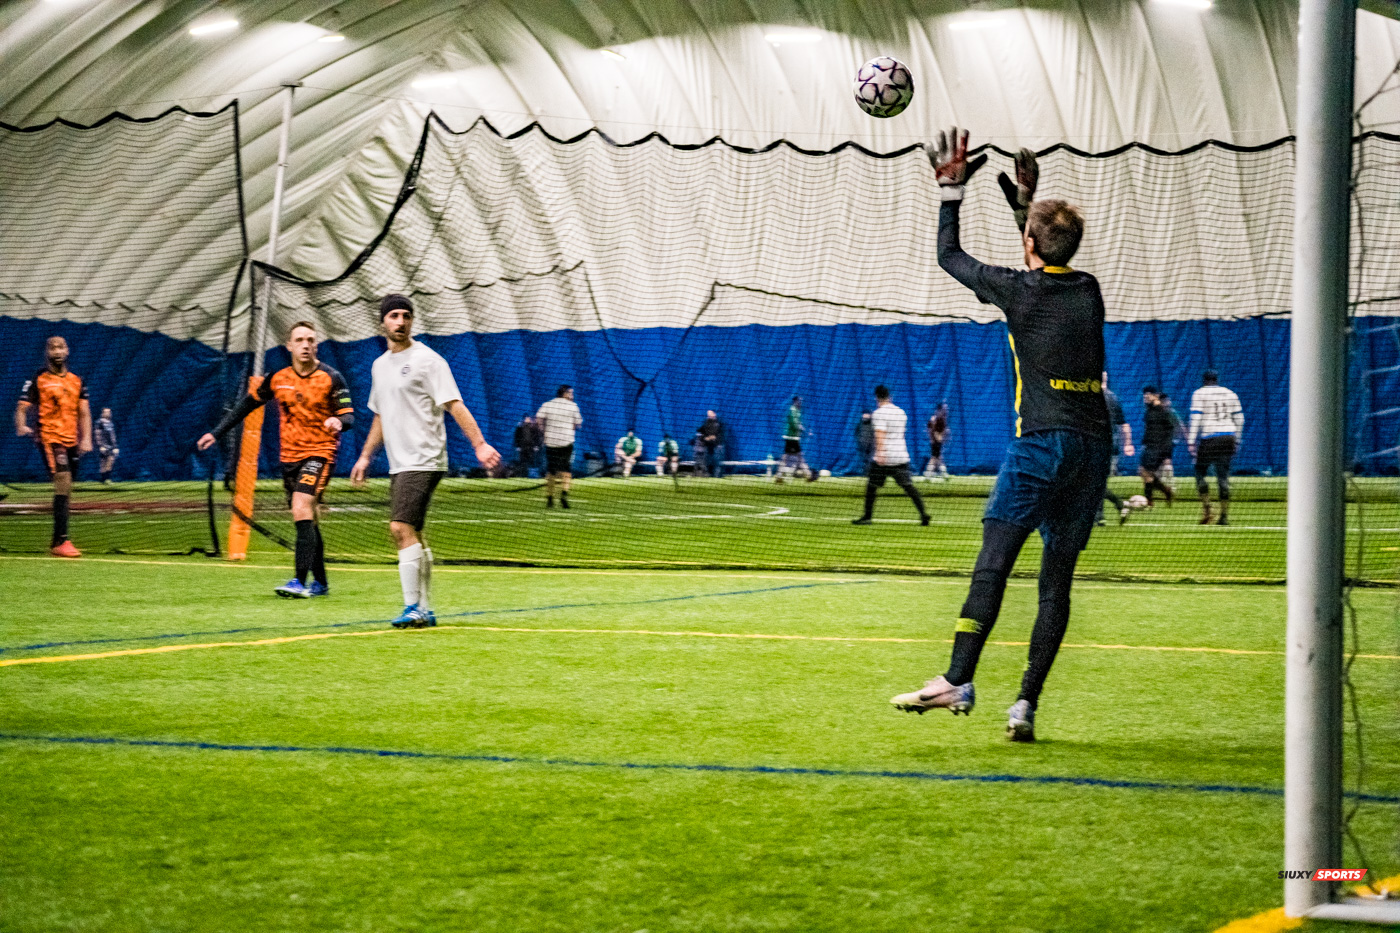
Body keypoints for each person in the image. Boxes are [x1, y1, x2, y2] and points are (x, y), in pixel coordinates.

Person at [891, 129, 1111, 743]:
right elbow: (1047, 262)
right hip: (1092, 448)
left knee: (993, 564)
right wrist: (1026, 211)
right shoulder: (1086, 289)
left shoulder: (1019, 291)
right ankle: (1025, 706)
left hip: (1041, 443)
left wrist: (951, 191)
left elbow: (949, 258)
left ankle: (958, 678)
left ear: (1029, 244)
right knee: (1055, 582)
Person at [349, 294, 500, 627]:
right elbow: (379, 416)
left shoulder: (429, 360)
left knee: (399, 527)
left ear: (412, 321)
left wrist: (479, 444)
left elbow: (455, 405)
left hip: (424, 459)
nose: (400, 321)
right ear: (382, 323)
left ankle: (412, 607)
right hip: (399, 462)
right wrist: (364, 456)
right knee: (414, 532)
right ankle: (425, 609)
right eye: (394, 316)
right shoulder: (379, 365)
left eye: (406, 315)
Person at [199, 321, 355, 598]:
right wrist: (216, 432)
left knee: (301, 505)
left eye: (310, 340)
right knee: (308, 517)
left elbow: (349, 416)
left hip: (319, 453)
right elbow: (246, 405)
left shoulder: (332, 378)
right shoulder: (278, 378)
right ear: (290, 346)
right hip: (289, 458)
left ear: (316, 345)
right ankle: (321, 582)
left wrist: (338, 422)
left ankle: (298, 580)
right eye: (300, 340)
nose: (306, 344)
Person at [14, 336, 92, 558]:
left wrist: (86, 438)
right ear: (47, 352)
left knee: (66, 487)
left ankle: (57, 540)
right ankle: (62, 540)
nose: (57, 351)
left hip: (71, 440)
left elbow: (84, 412)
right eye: (52, 347)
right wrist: (21, 425)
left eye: (61, 347)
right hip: (50, 438)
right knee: (63, 479)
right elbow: (22, 407)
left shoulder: (77, 380)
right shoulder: (38, 378)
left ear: (67, 351)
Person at [852, 385, 929, 526]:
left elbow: (880, 435)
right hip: (901, 455)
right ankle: (924, 514)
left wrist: (880, 454)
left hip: (885, 457)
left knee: (871, 487)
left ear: (876, 397)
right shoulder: (901, 412)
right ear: (890, 396)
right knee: (909, 487)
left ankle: (867, 517)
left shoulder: (879, 414)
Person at [1187, 369, 1244, 525]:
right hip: (1228, 437)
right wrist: (1237, 440)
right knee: (1223, 478)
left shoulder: (1199, 394)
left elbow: (1196, 418)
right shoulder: (1230, 393)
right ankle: (1224, 516)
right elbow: (1239, 419)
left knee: (1199, 473)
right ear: (1217, 379)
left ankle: (1207, 510)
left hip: (1210, 437)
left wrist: (1191, 441)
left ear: (1204, 380)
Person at [1095, 373, 1135, 526]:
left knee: (1096, 482)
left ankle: (1115, 507)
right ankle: (1101, 516)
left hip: (1099, 445)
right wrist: (1128, 444)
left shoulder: (1095, 397)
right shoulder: (1113, 398)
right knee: (1098, 481)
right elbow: (1124, 424)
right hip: (1112, 447)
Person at [536, 385, 582, 508]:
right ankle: (564, 494)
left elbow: (539, 418)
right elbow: (578, 424)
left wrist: (544, 431)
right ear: (565, 393)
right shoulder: (573, 406)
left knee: (551, 470)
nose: (572, 396)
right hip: (566, 441)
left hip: (551, 441)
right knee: (566, 470)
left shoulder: (548, 404)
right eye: (571, 393)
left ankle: (550, 498)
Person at [1139, 386, 1176, 508]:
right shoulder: (1148, 411)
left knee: (1146, 472)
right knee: (1144, 472)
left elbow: (1170, 431)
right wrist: (1144, 443)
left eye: (1147, 396)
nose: (1145, 399)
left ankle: (1149, 500)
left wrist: (1167, 450)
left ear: (1155, 395)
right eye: (1144, 397)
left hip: (1158, 447)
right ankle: (1166, 491)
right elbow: (1148, 430)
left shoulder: (1164, 411)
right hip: (1149, 446)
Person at [777, 395, 815, 482]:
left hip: (793, 438)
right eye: (799, 401)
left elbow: (799, 424)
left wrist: (805, 431)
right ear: (795, 401)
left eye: (801, 401)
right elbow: (795, 424)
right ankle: (808, 475)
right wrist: (804, 431)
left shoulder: (797, 411)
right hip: (792, 438)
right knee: (799, 457)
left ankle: (779, 476)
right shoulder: (793, 410)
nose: (801, 403)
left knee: (787, 456)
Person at [924, 403, 950, 479]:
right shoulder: (937, 419)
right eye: (944, 409)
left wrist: (940, 437)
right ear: (940, 410)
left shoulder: (940, 419)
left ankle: (930, 474)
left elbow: (942, 431)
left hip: (936, 442)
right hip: (935, 442)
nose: (945, 410)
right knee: (935, 458)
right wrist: (936, 438)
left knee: (937, 457)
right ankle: (931, 474)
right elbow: (931, 429)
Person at [94, 407, 119, 484]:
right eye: (106, 412)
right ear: (103, 413)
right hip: (104, 445)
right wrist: (100, 445)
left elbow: (113, 436)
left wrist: (115, 446)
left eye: (109, 412)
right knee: (103, 462)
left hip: (111, 446)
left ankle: (106, 478)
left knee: (110, 461)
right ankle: (104, 479)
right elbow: (97, 434)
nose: (108, 413)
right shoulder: (100, 422)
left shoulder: (110, 423)